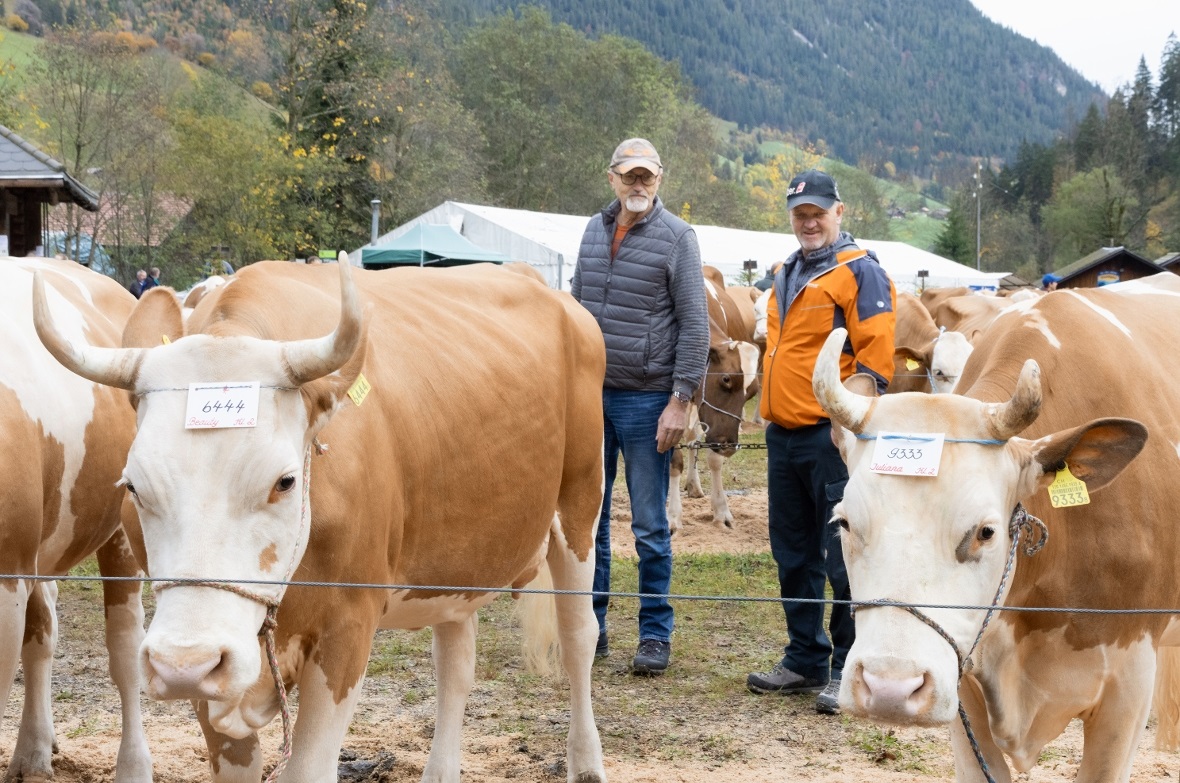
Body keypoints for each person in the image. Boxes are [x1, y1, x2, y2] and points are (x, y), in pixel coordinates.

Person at [747, 170, 896, 714]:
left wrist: (850, 426)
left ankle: (845, 666)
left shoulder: (860, 272)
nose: (808, 221)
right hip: (782, 435)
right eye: (799, 213)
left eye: (818, 211)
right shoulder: (786, 271)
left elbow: (876, 361)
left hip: (830, 438)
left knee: (842, 557)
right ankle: (804, 658)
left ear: (840, 212)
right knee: (792, 551)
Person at [571, 138, 709, 675]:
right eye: (629, 176)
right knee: (591, 519)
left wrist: (680, 401)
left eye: (646, 177)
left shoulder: (678, 238)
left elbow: (695, 327)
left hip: (648, 399)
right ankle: (593, 626)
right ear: (612, 179)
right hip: (590, 395)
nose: (638, 186)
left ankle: (654, 633)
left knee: (649, 523)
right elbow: (578, 306)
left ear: (659, 180)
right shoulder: (592, 230)